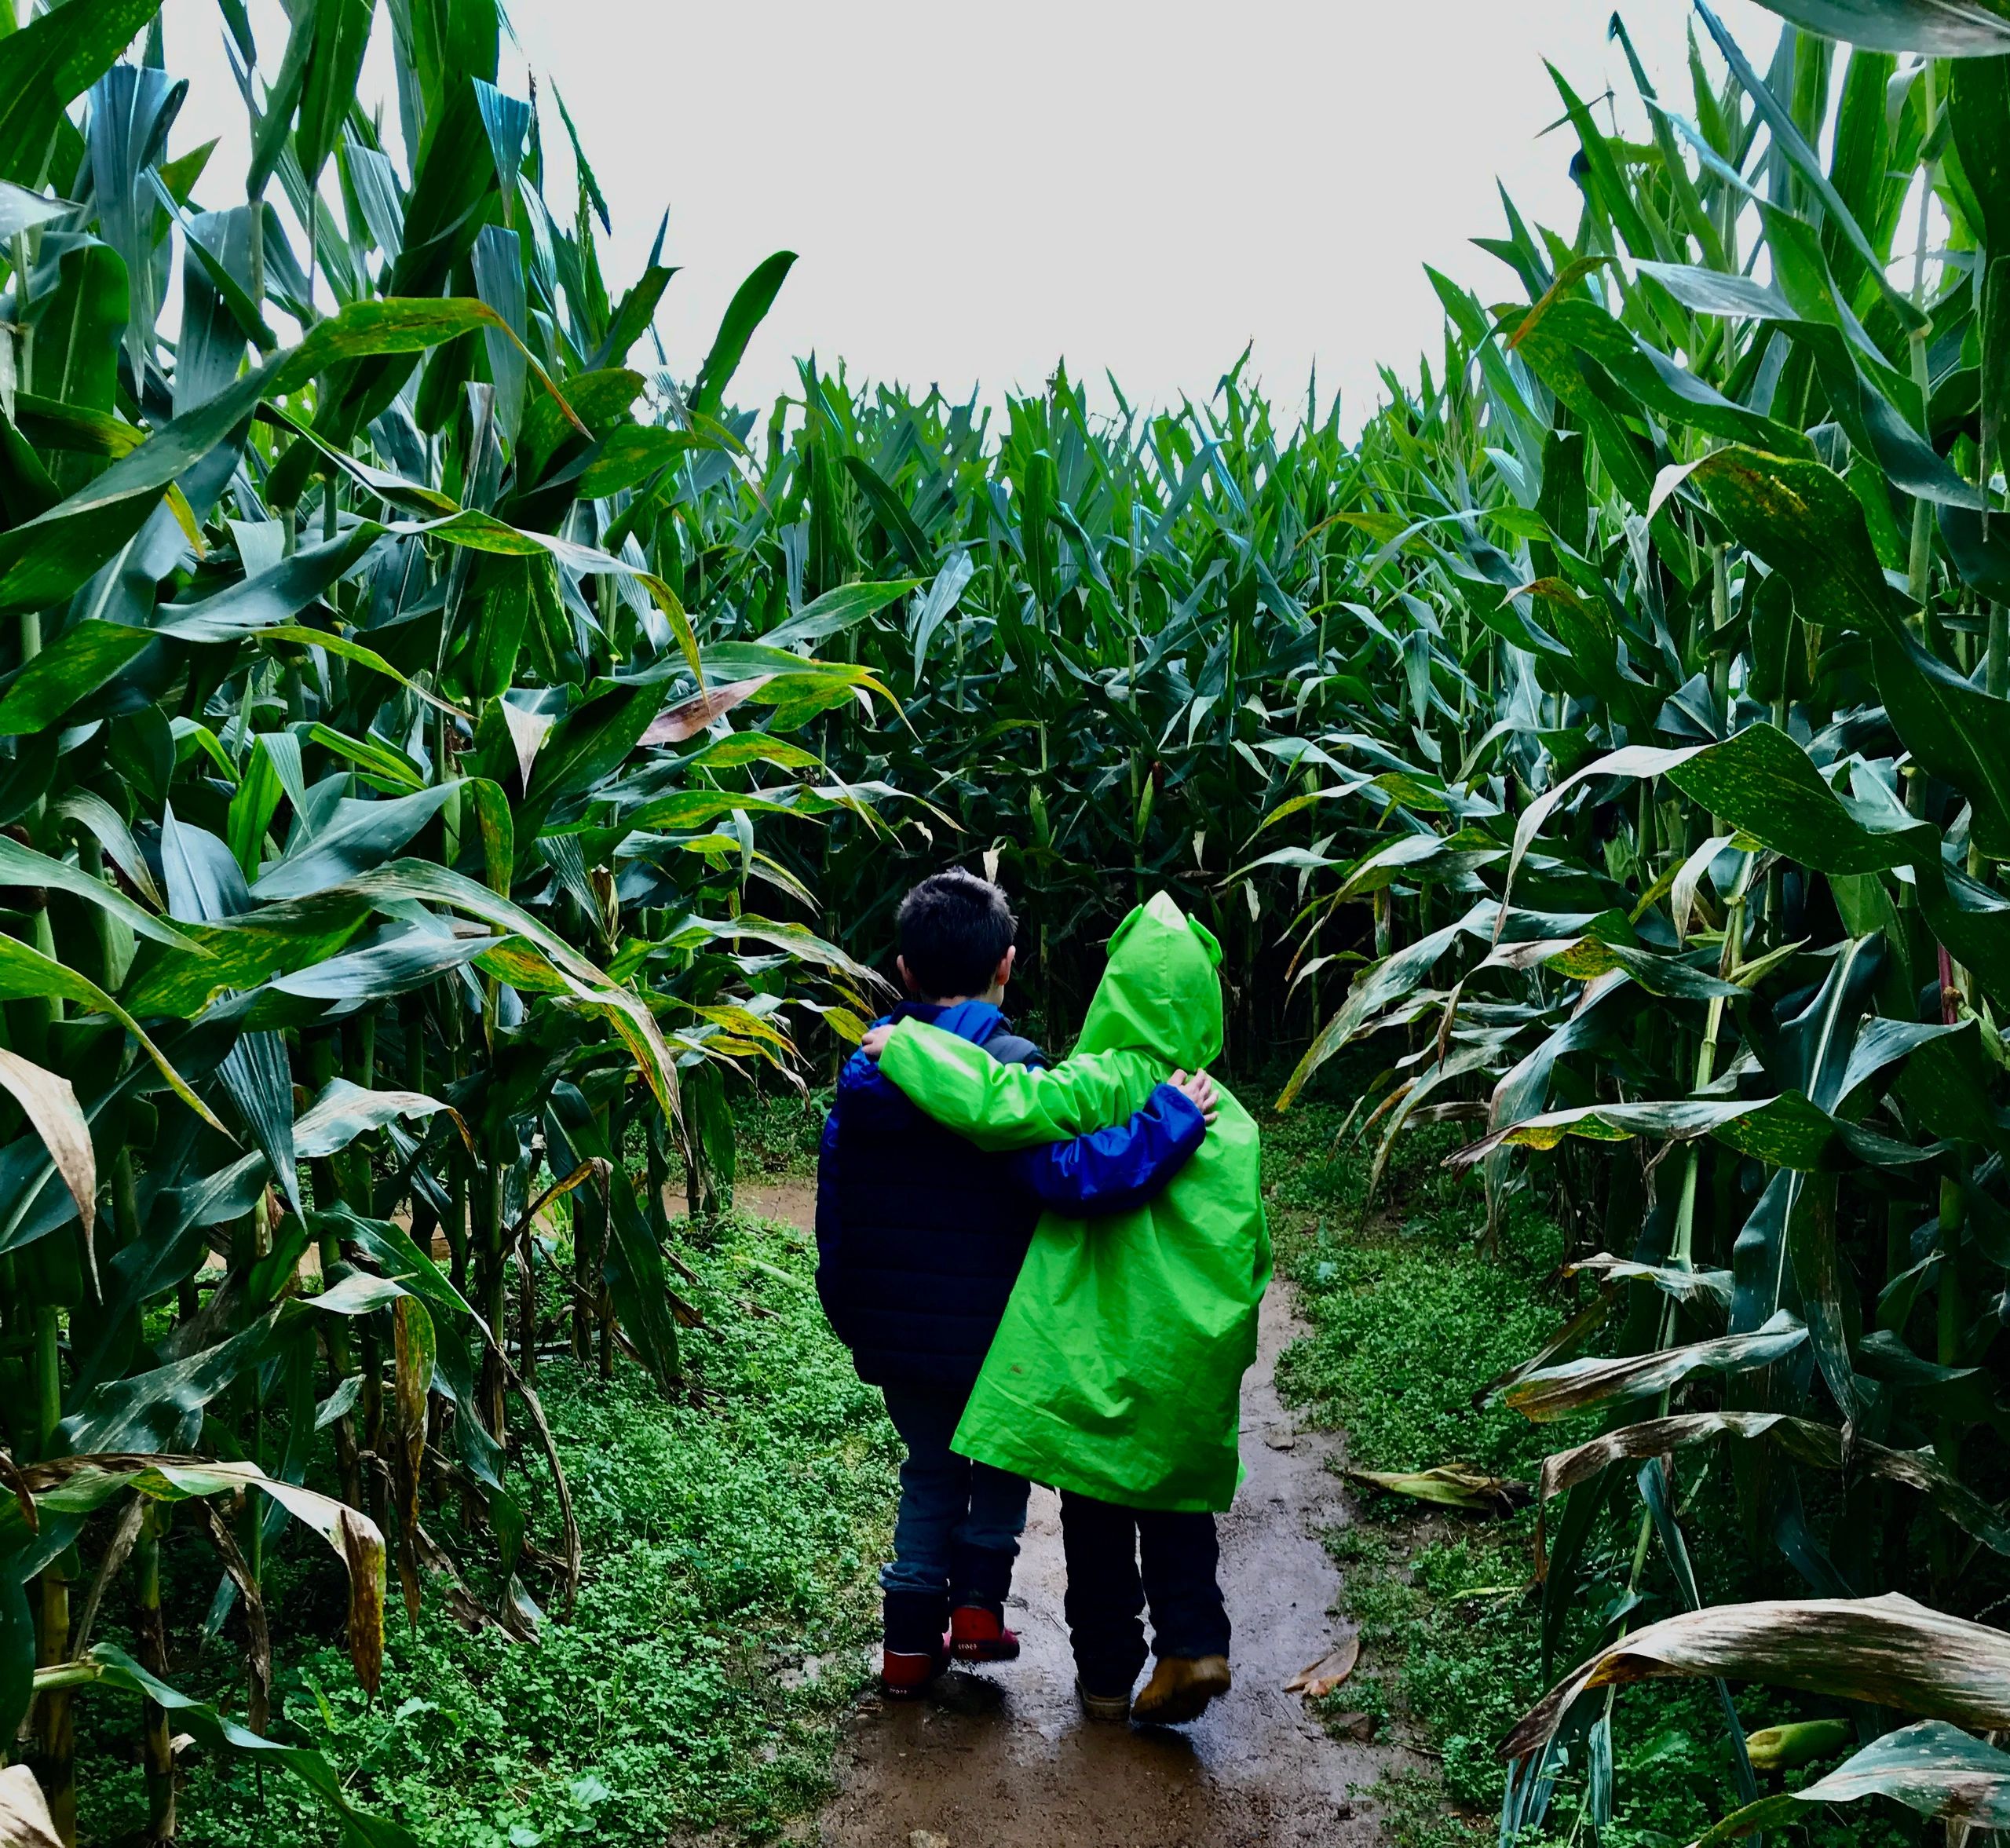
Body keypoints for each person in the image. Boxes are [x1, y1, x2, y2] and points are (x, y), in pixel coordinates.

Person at [859, 889, 1268, 1726]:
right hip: (1185, 1359)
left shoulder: (1099, 1080)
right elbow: (1252, 1251)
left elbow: (997, 1102)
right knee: (1180, 1512)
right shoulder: (1234, 1121)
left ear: (1112, 989)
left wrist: (907, 1047)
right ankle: (1194, 1643)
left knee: (1095, 1522)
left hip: (1094, 1350)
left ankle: (1108, 1678)